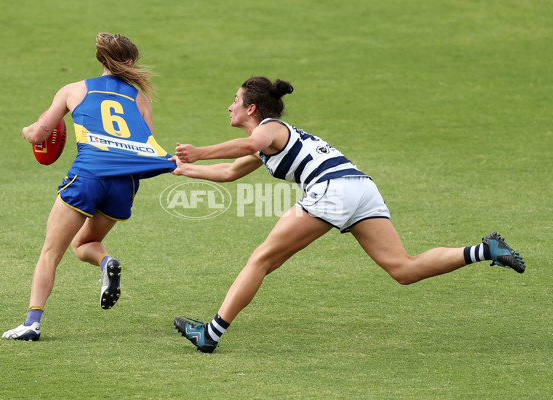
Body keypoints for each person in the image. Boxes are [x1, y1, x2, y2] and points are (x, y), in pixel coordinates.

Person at [171, 76, 525, 353]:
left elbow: (249, 144)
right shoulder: (268, 143)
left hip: (333, 191)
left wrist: (199, 152)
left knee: (261, 260)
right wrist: (183, 170)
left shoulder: (270, 130)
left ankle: (210, 334)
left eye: (234, 100)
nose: (229, 106)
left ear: (252, 109)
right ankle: (485, 250)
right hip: (360, 188)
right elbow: (231, 172)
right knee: (402, 268)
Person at [2, 33, 175, 341]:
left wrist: (28, 130)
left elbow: (40, 135)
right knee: (83, 245)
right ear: (131, 62)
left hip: (88, 176)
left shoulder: (74, 89)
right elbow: (141, 145)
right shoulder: (140, 99)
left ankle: (31, 323)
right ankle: (106, 261)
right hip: (124, 184)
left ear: (101, 59)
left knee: (50, 253)